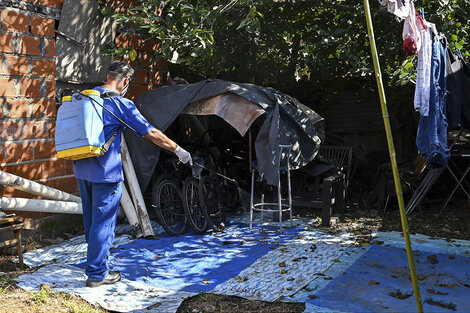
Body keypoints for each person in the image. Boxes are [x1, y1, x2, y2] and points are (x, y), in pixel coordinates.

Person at [73, 61, 192, 287]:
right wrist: (178, 150)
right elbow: (150, 132)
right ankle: (97, 274)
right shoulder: (120, 104)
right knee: (103, 224)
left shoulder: (86, 98)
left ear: (108, 75)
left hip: (81, 169)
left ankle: (95, 264)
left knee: (91, 221)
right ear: (126, 81)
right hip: (105, 172)